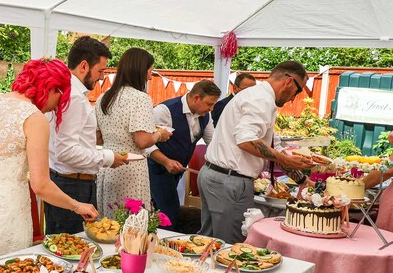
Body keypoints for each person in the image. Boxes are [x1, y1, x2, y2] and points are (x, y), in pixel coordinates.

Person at [0, 58, 98, 259]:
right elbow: (41, 185)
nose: (56, 107)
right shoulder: (34, 117)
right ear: (51, 88)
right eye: (60, 98)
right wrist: (78, 206)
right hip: (6, 215)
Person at [198, 61, 314, 242]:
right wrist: (285, 159)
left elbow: (272, 145)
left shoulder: (257, 97)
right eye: (298, 92)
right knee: (231, 246)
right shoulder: (261, 100)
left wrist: (302, 179)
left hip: (217, 176)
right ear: (289, 82)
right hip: (230, 182)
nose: (293, 98)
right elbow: (246, 141)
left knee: (209, 243)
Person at [46, 37, 129, 233]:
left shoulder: (69, 91)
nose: (101, 77)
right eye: (100, 71)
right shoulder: (73, 97)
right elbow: (66, 151)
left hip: (69, 180)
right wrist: (108, 157)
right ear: (84, 66)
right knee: (71, 249)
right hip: (71, 183)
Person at [95, 48, 172, 219]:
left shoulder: (103, 97)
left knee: (108, 224)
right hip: (131, 168)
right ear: (140, 69)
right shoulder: (140, 98)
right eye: (150, 71)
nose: (151, 77)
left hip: (107, 165)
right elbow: (142, 141)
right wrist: (160, 135)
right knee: (132, 227)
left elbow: (98, 137)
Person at [147, 80, 220, 230]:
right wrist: (166, 161)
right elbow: (145, 143)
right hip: (155, 170)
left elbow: (213, 143)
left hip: (176, 172)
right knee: (169, 213)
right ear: (196, 98)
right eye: (209, 104)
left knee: (157, 212)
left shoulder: (205, 116)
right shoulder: (164, 111)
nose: (211, 108)